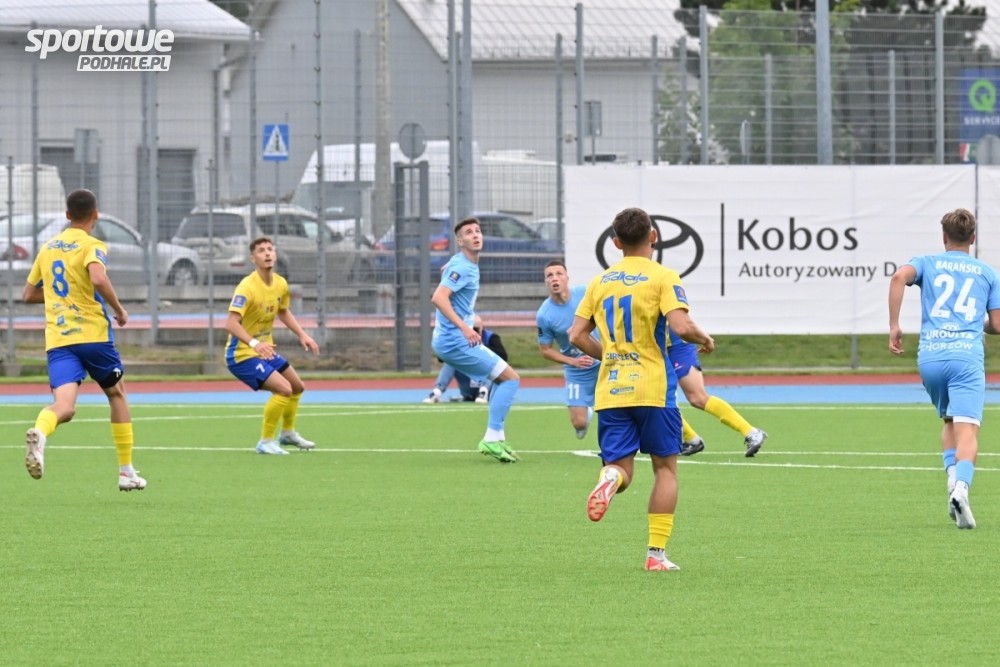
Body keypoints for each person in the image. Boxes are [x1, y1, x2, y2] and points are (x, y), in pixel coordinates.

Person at [570, 207, 715, 572]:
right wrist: (704, 338)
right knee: (665, 469)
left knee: (622, 469)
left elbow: (576, 335)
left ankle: (609, 478)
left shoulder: (599, 282)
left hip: (612, 389)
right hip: (653, 388)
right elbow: (681, 327)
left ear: (616, 243)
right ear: (653, 236)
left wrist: (611, 355)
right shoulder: (663, 276)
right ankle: (655, 555)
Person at [21, 188, 146, 491]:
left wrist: (59, 297)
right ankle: (126, 472)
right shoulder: (92, 245)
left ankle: (40, 432)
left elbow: (28, 294)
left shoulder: (48, 248)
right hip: (92, 335)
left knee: (64, 406)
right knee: (116, 394)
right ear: (96, 214)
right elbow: (98, 278)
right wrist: (119, 309)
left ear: (67, 215)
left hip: (59, 339)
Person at [889, 208, 1000, 530]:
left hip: (931, 357)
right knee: (968, 429)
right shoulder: (987, 273)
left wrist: (894, 325)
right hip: (965, 358)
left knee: (950, 419)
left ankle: (952, 480)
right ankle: (962, 489)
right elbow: (997, 324)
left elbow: (897, 277)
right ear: (973, 238)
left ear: (944, 237)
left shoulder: (927, 262)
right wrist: (975, 323)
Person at [431, 217, 521, 462]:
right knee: (511, 379)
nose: (475, 235)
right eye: (469, 232)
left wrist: (448, 268)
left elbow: (450, 271)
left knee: (501, 379)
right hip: (454, 341)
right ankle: (491, 438)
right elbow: (438, 297)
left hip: (448, 340)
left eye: (478, 231)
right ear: (460, 241)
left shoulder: (461, 262)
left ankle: (498, 438)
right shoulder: (463, 267)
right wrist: (465, 328)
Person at [224, 236, 320, 455]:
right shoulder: (246, 287)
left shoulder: (280, 283)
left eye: (270, 249)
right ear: (253, 258)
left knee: (297, 386)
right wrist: (255, 343)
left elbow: (283, 311)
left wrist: (302, 334)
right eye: (261, 250)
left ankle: (287, 433)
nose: (267, 253)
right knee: (283, 389)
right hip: (241, 355)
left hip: (264, 351)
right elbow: (230, 323)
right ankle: (266, 441)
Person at [670, 329, 768, 457]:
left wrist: (705, 339)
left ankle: (751, 433)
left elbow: (683, 324)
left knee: (698, 398)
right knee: (659, 399)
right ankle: (692, 440)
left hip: (676, 348)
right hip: (655, 350)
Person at [536, 260, 599, 439]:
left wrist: (583, 328)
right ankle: (585, 413)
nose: (554, 278)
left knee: (614, 410)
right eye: (550, 275)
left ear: (567, 278)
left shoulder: (584, 293)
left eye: (559, 274)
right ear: (546, 282)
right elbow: (545, 350)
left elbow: (605, 313)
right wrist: (573, 361)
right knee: (579, 425)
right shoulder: (544, 315)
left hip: (603, 359)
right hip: (577, 369)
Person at [423, 315, 509, 404]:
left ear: (482, 329)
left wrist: (482, 349)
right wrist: (457, 350)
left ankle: (483, 392)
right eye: (471, 329)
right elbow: (441, 358)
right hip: (468, 381)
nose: (473, 332)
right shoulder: (459, 338)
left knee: (489, 362)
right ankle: (437, 391)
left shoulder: (491, 338)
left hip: (487, 382)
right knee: (450, 362)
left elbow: (503, 357)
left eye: (476, 329)